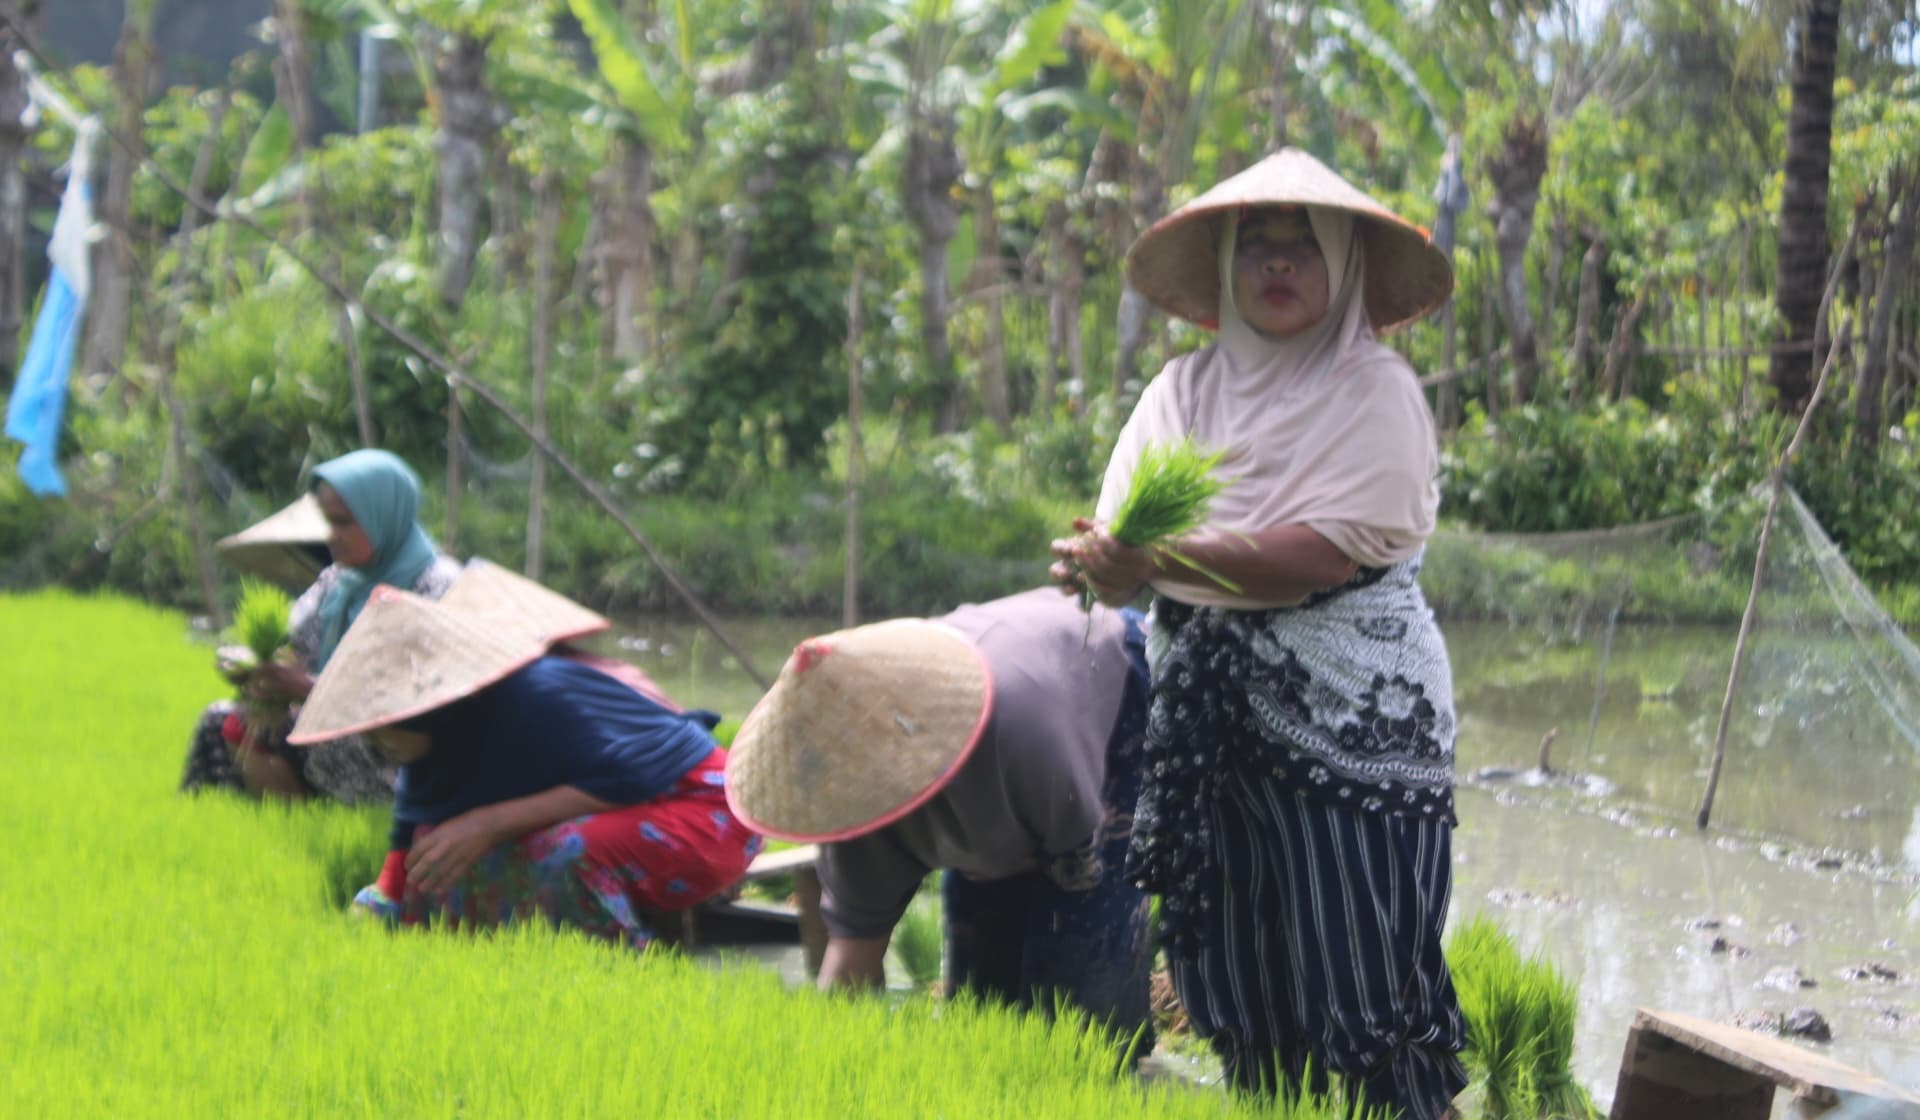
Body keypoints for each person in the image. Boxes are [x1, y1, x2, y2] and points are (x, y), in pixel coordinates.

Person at [1049, 148, 1466, 1119]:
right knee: (1236, 988)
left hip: (1354, 726)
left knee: (1366, 995)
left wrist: (1151, 563)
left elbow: (1322, 553)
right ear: (1228, 270)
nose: (1278, 266)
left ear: (1345, 269)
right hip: (1206, 727)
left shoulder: (1376, 392)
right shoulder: (1180, 396)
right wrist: (1097, 563)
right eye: (1258, 249)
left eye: (1302, 250)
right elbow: (1121, 537)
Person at [724, 588, 1155, 1053]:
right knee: (981, 1000)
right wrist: (828, 1061)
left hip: (1106, 678)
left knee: (1082, 980)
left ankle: (1108, 1075)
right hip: (1009, 724)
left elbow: (1077, 853)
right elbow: (853, 949)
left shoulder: (1024, 737)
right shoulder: (849, 810)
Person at [287, 585, 760, 949]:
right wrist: (369, 916)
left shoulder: (535, 698)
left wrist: (489, 823)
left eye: (383, 729)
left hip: (707, 806)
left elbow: (629, 778)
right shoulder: (437, 746)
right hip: (622, 812)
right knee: (445, 861)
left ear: (428, 710)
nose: (376, 745)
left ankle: (624, 965)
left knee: (554, 854)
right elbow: (405, 863)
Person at [180, 449, 461, 803]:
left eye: (343, 522)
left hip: (397, 746)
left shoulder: (437, 587)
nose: (330, 534)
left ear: (383, 516)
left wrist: (313, 691)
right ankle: (240, 827)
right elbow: (294, 642)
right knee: (221, 721)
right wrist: (255, 666)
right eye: (324, 520)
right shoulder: (339, 579)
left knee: (338, 744)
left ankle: (310, 817)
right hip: (323, 727)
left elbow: (423, 702)